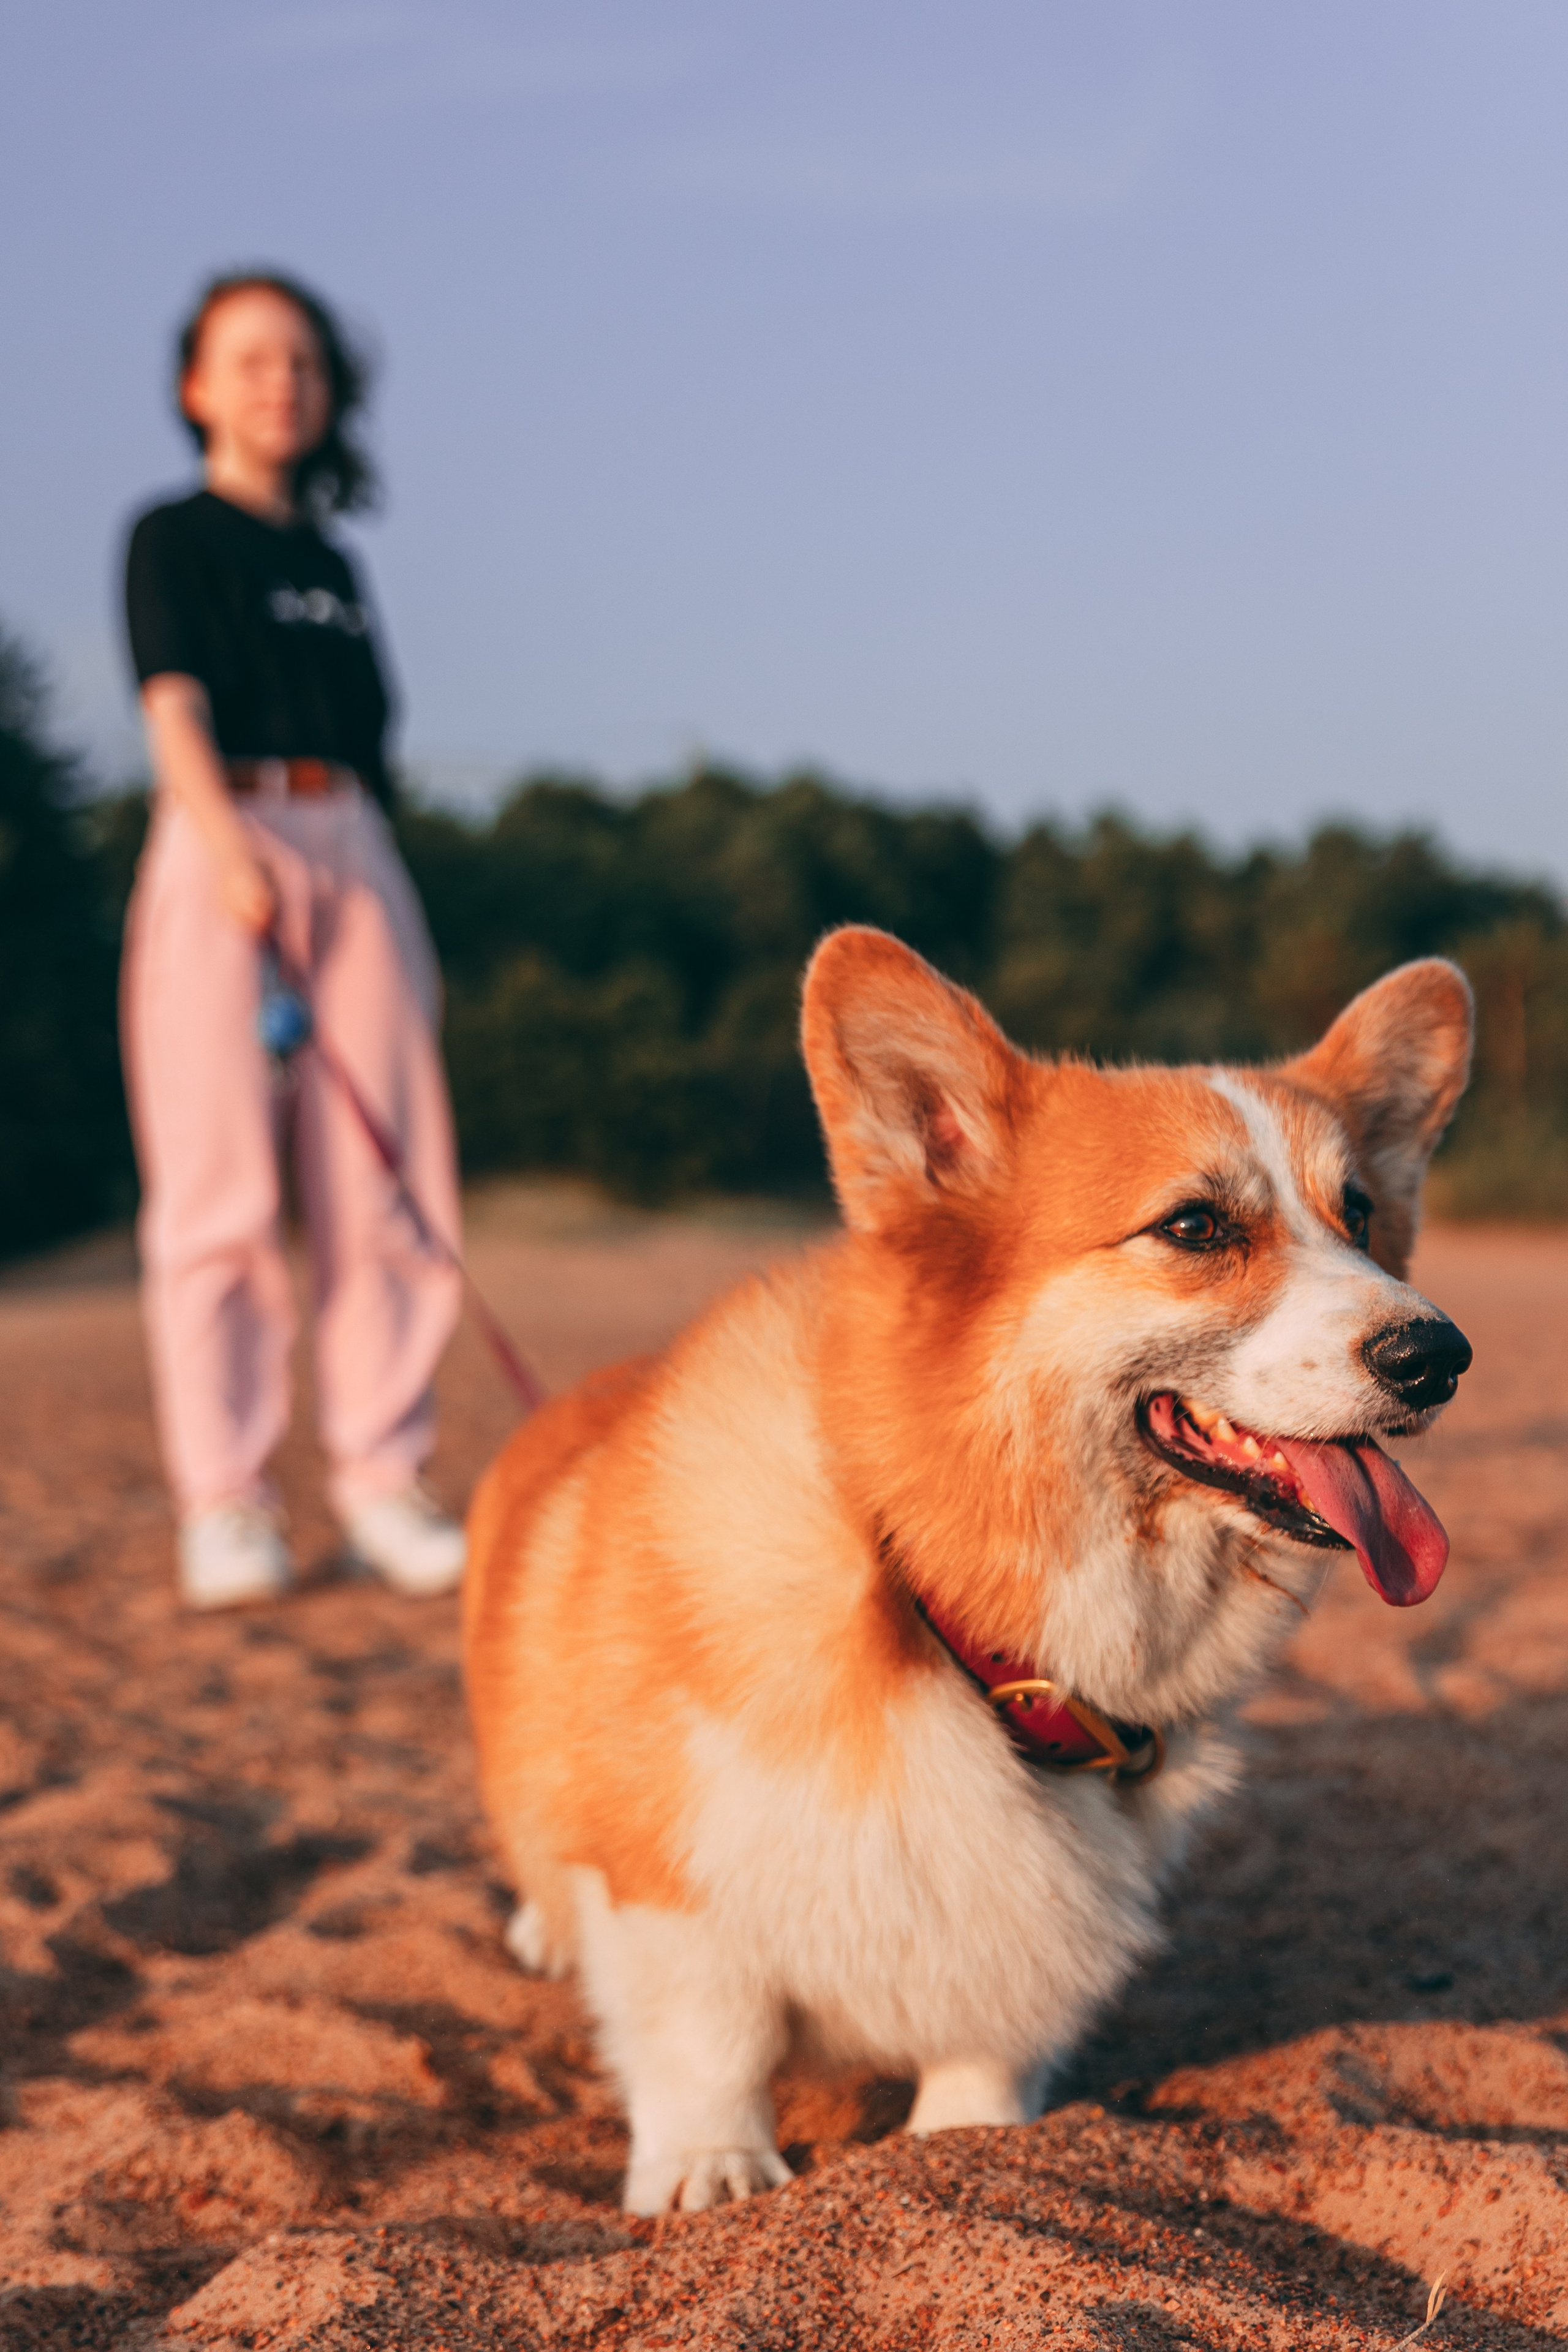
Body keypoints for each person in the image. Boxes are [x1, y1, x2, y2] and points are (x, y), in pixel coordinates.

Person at [121, 270, 467, 1610]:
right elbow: (171, 708)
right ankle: (228, 1502)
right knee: (220, 1197)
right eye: (253, 359)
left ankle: (382, 1477)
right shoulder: (170, 535)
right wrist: (224, 853)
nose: (283, 382)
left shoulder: (332, 565)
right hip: (223, 839)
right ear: (196, 385)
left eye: (304, 364)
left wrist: (347, 868)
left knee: (385, 1181)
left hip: (353, 849)